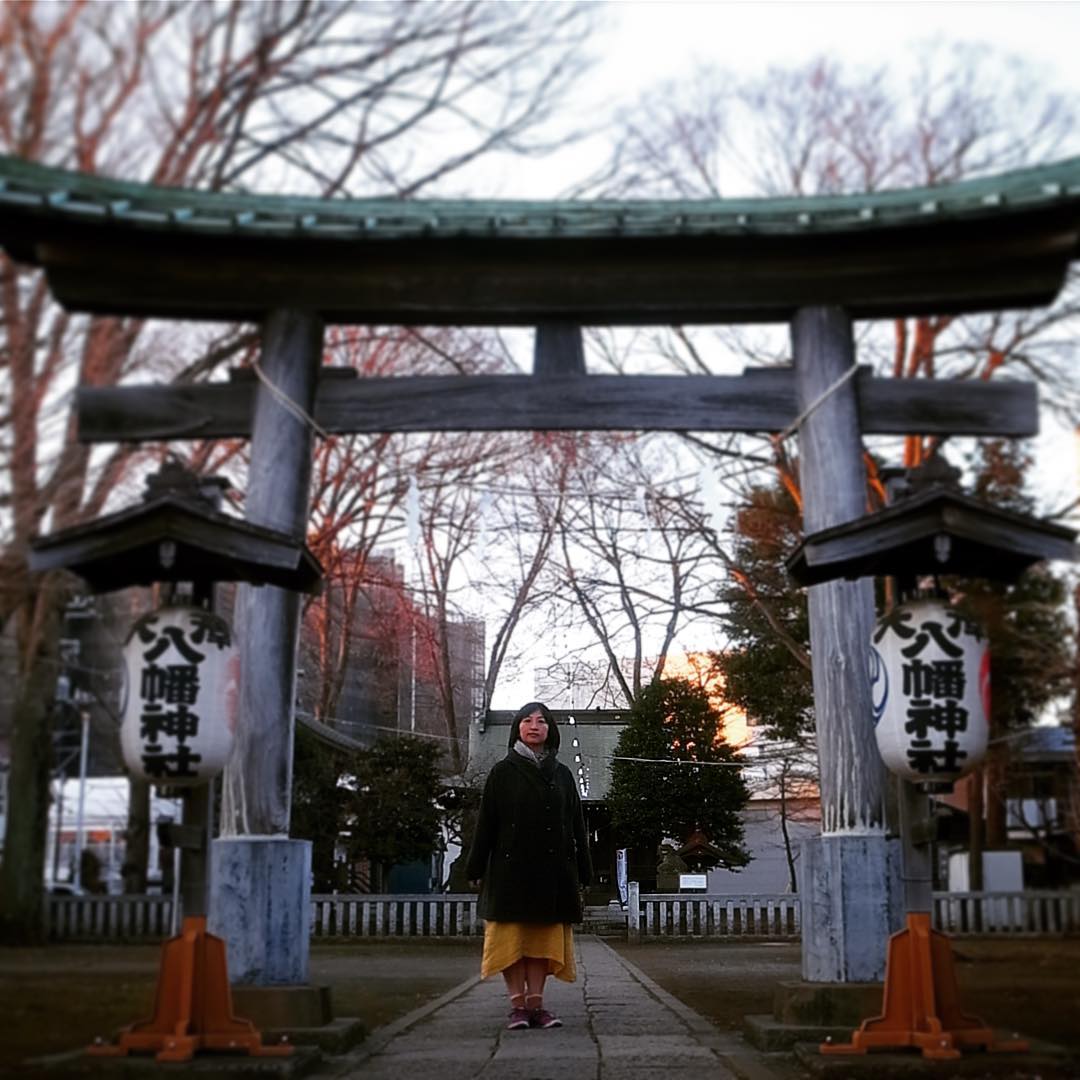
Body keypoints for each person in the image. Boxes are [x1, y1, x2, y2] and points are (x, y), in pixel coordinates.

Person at [466, 701, 592, 1030]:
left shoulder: (562, 774)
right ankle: (517, 1006)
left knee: (540, 943)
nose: (534, 725)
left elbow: (576, 825)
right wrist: (475, 869)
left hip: (553, 872)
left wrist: (584, 871)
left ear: (551, 730)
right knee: (512, 942)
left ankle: (537, 1005)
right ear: (517, 728)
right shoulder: (502, 772)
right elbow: (486, 825)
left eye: (541, 721)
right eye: (527, 720)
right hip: (510, 871)